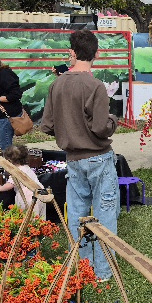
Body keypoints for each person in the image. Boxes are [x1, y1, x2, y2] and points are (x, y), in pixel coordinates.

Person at [40, 29, 119, 281]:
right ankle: (103, 272)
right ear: (97, 54)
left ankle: (81, 269)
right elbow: (100, 127)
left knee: (76, 214)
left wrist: (69, 128)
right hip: (99, 158)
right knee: (105, 214)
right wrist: (113, 121)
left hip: (73, 159)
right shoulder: (95, 86)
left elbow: (47, 125)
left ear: (72, 53)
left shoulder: (57, 84)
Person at [0, 144, 45, 218]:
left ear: (9, 161)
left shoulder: (16, 172)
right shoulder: (26, 167)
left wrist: (0, 188)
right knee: (40, 217)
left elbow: (10, 185)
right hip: (40, 193)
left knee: (29, 218)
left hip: (28, 197)